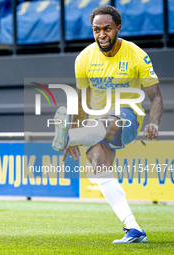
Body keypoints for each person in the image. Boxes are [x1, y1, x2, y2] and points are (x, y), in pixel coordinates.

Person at [52, 5, 163, 243]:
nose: (101, 34)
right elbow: (82, 103)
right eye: (96, 30)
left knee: (109, 119)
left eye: (107, 29)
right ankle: (134, 229)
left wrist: (154, 123)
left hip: (128, 118)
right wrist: (75, 127)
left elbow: (156, 97)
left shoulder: (136, 54)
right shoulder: (83, 58)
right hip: (95, 123)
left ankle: (72, 137)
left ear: (118, 29)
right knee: (98, 165)